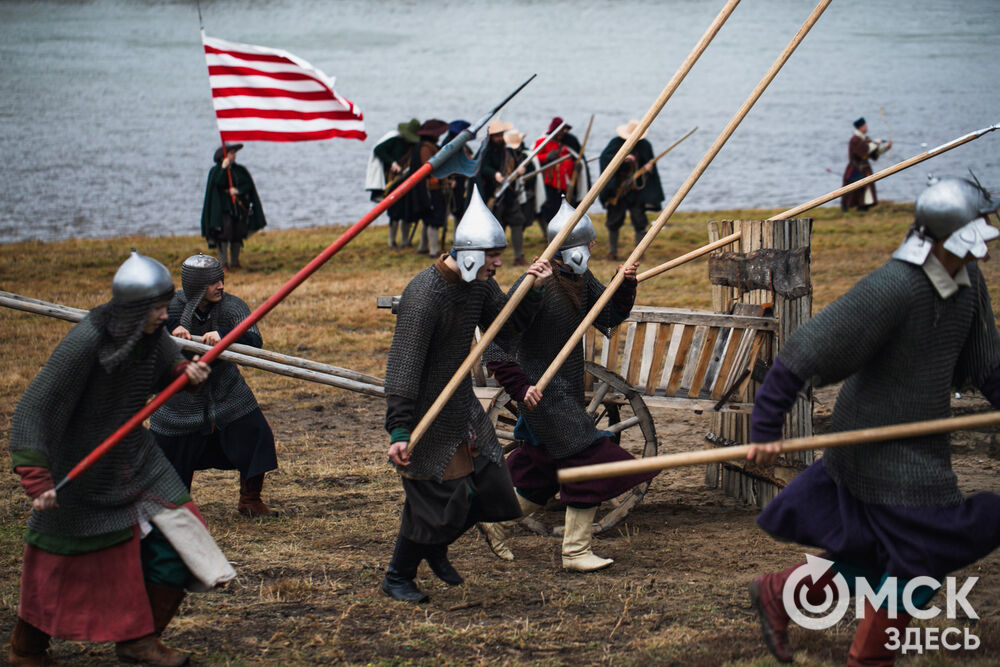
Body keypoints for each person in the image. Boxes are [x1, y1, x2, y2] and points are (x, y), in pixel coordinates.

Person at [746, 177, 1000, 665]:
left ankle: (779, 593)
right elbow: (806, 350)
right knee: (921, 558)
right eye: (979, 223)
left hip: (920, 447)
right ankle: (869, 659)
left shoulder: (967, 285)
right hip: (875, 450)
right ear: (954, 234)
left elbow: (986, 366)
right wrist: (766, 429)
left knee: (872, 553)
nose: (988, 231)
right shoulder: (896, 286)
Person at [7, 250, 235, 666]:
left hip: (136, 457)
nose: (165, 317)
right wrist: (36, 477)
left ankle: (140, 642)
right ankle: (27, 649)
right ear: (130, 309)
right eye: (157, 309)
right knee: (60, 563)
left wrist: (187, 376)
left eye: (167, 307)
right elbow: (35, 408)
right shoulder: (88, 339)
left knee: (182, 540)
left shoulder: (152, 336)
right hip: (81, 464)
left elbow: (169, 371)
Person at [381, 186, 553, 603]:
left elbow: (505, 329)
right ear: (471, 253)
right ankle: (398, 576)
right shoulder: (424, 295)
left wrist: (531, 290)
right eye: (493, 256)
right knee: (434, 501)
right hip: (425, 411)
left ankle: (435, 547)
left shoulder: (477, 283)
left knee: (489, 487)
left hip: (458, 405)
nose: (499, 263)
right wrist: (400, 429)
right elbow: (403, 368)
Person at [478, 199, 656, 571]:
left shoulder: (578, 280)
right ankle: (575, 552)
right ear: (571, 248)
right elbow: (496, 344)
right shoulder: (536, 285)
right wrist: (519, 386)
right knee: (589, 463)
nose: (593, 249)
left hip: (563, 391)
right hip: (544, 394)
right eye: (588, 244)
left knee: (541, 471)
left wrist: (624, 284)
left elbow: (608, 315)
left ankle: (496, 521)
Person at [150, 254, 279, 518]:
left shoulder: (232, 307)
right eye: (213, 282)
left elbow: (254, 340)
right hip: (179, 395)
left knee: (256, 435)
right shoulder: (169, 306)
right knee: (166, 453)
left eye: (221, 280)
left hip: (226, 391)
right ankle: (173, 507)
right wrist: (172, 330)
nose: (220, 286)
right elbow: (144, 325)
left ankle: (250, 499)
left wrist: (225, 335)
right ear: (195, 284)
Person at [599, 120, 665, 260]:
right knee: (614, 221)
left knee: (640, 221)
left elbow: (648, 163)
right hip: (618, 189)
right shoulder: (616, 143)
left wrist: (648, 168)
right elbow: (605, 160)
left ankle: (638, 254)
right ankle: (613, 252)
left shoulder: (645, 145)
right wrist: (621, 159)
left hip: (637, 192)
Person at [201, 143, 267, 271]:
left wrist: (238, 190)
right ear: (224, 156)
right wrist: (223, 169)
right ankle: (223, 263)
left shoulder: (240, 170)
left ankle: (235, 261)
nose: (234, 155)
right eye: (231, 153)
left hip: (238, 209)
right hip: (223, 210)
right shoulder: (216, 171)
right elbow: (218, 183)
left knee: (237, 235)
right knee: (223, 236)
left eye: (234, 153)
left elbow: (248, 185)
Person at [479, 120, 530, 266]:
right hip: (493, 195)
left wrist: (520, 172)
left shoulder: (507, 151)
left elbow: (514, 165)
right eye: (496, 136)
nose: (499, 138)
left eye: (501, 135)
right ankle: (492, 258)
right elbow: (483, 167)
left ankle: (518, 256)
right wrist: (494, 175)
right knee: (495, 227)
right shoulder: (486, 151)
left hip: (509, 194)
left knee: (517, 222)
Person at [373, 118, 420, 249]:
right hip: (394, 182)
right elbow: (378, 150)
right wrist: (392, 162)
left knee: (407, 212)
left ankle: (405, 241)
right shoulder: (394, 141)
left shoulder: (414, 146)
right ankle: (391, 241)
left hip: (409, 183)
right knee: (394, 213)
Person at [841, 117, 892, 212]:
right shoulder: (855, 139)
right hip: (855, 168)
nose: (866, 127)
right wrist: (876, 142)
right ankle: (848, 207)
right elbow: (865, 150)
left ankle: (863, 207)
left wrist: (886, 147)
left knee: (866, 189)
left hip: (865, 168)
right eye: (865, 126)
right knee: (852, 190)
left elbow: (873, 152)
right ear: (860, 127)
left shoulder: (865, 139)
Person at [534, 117, 578, 225]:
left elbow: (574, 157)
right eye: (559, 131)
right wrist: (546, 157)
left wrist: (577, 165)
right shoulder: (542, 142)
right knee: (550, 210)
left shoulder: (566, 144)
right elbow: (534, 159)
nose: (561, 134)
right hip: (549, 183)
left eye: (562, 131)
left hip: (565, 185)